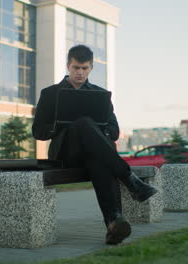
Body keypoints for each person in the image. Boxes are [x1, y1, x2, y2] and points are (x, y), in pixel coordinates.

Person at [32, 45, 157, 245]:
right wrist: (59, 124)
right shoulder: (50, 93)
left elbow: (114, 131)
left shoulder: (100, 95)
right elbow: (37, 132)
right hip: (65, 153)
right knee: (82, 124)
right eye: (75, 68)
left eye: (84, 68)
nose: (80, 72)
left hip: (93, 153)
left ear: (91, 68)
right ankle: (129, 178)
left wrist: (97, 134)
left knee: (99, 159)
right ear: (67, 66)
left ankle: (114, 222)